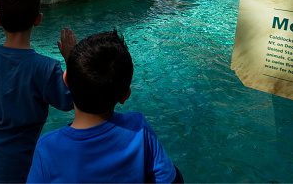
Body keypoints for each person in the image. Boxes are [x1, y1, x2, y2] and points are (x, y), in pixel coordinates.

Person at [27, 30, 183, 183]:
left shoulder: (47, 149)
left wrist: (73, 62)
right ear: (125, 96)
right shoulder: (139, 129)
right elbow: (172, 180)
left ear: (65, 80)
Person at [0, 0, 73, 183]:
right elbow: (67, 102)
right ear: (38, 19)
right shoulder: (46, 68)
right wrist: (71, 61)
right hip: (17, 164)